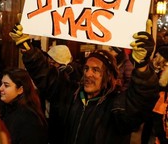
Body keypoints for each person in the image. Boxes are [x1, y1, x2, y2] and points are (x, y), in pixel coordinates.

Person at [9, 21, 159, 144]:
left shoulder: (116, 106)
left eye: (96, 70)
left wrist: (142, 66)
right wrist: (27, 49)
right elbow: (46, 76)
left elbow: (141, 100)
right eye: (86, 68)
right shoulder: (70, 95)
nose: (88, 74)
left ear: (108, 76)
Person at [0, 68, 48, 144]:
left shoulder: (29, 119)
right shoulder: (4, 109)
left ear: (20, 90)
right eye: (1, 84)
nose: (0, 88)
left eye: (6, 85)